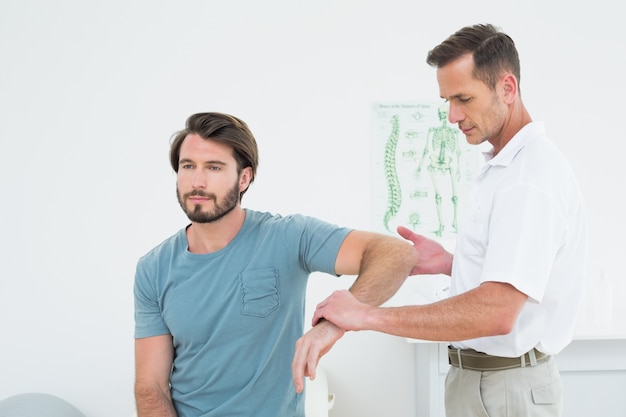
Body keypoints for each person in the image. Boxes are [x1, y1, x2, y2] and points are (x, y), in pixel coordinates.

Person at [292, 24, 587, 417]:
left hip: (506, 389)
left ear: (508, 88)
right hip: (484, 382)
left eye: (464, 98)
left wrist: (366, 316)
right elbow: (517, 275)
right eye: (447, 100)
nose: (452, 116)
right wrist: (453, 262)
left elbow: (496, 312)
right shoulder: (504, 169)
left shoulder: (527, 180)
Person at [133, 112, 418, 417]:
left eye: (213, 167)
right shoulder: (154, 268)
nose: (197, 181)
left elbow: (395, 253)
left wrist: (334, 325)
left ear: (244, 178)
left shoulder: (288, 237)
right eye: (187, 166)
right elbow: (151, 387)